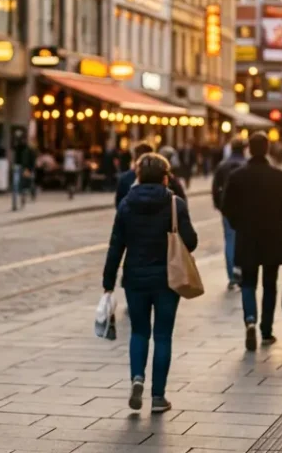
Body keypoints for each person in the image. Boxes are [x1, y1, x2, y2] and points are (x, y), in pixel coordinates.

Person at [101, 153, 197, 413]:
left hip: (135, 279)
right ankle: (158, 397)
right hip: (168, 279)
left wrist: (108, 281)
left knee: (139, 331)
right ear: (166, 177)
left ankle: (137, 378)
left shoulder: (126, 204)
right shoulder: (175, 204)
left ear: (138, 176)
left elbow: (115, 246)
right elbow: (191, 241)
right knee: (163, 335)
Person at [220, 133, 282, 351]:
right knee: (269, 285)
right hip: (272, 237)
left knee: (248, 282)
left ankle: (250, 319)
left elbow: (226, 207)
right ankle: (266, 331)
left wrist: (238, 225)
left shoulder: (237, 176)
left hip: (247, 237)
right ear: (267, 149)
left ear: (249, 149)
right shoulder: (279, 176)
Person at [211, 138, 248, 290]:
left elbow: (215, 187)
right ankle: (242, 272)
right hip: (245, 208)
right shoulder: (246, 164)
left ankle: (232, 276)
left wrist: (219, 205)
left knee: (230, 240)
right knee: (244, 241)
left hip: (227, 208)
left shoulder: (223, 165)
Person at [115, 143, 187, 207]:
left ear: (135, 159)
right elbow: (182, 200)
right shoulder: (166, 176)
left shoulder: (125, 178)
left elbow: (119, 203)